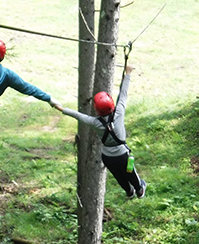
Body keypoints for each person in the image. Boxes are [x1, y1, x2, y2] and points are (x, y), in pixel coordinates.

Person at [54, 64, 146, 199]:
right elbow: (123, 94)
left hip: (107, 157)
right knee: (130, 172)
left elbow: (78, 115)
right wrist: (128, 74)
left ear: (97, 109)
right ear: (112, 104)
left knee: (118, 175)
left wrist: (61, 109)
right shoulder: (119, 111)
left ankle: (129, 191)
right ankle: (139, 190)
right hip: (122, 154)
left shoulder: (95, 122)